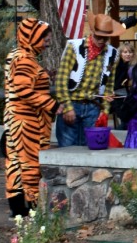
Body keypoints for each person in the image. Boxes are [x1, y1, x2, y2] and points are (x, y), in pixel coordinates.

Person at [4, 18, 61, 218]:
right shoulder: (25, 59)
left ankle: (18, 208)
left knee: (15, 163)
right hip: (27, 122)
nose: (47, 41)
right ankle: (32, 208)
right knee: (29, 164)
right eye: (44, 37)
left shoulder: (18, 55)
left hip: (17, 120)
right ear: (32, 36)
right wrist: (52, 105)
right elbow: (22, 90)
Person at [53, 12, 124, 147]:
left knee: (91, 147)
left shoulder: (113, 54)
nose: (101, 40)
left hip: (93, 106)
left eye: (106, 37)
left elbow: (108, 85)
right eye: (99, 36)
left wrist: (105, 111)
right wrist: (67, 107)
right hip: (72, 102)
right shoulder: (73, 47)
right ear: (92, 31)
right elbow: (61, 80)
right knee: (67, 148)